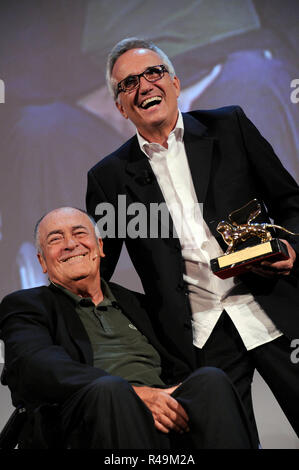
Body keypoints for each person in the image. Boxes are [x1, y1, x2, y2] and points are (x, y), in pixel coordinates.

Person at [86, 37, 299, 443]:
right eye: (128, 83)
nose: (144, 86)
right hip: (199, 339)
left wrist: (293, 251)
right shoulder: (109, 176)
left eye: (153, 73)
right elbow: (100, 270)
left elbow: (291, 203)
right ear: (119, 107)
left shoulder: (230, 126)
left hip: (275, 308)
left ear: (175, 83)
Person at [0, 207, 257, 449]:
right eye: (55, 240)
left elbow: (180, 362)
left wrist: (163, 397)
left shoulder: (141, 305)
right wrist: (137, 395)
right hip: (83, 420)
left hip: (161, 412)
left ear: (100, 247)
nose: (70, 244)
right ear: (42, 262)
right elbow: (36, 366)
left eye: (80, 233)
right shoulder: (26, 306)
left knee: (210, 381)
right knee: (111, 390)